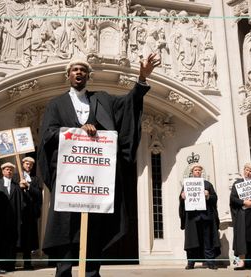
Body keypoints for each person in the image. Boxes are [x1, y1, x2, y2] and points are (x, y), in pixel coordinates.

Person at [38, 53, 161, 277]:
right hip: (69, 178)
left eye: (83, 70)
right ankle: (63, 272)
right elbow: (47, 134)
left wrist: (142, 78)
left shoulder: (102, 99)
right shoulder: (56, 104)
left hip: (95, 178)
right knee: (66, 227)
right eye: (74, 70)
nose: (79, 73)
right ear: (68, 75)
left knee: (94, 227)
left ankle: (92, 273)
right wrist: (78, 131)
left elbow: (128, 104)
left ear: (88, 76)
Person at [179, 163, 220, 270]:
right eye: (195, 170)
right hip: (192, 218)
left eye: (199, 170)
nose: (197, 171)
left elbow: (215, 198)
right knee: (192, 241)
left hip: (206, 217)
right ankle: (191, 263)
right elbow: (182, 201)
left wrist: (208, 196)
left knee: (208, 240)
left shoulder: (207, 184)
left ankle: (210, 263)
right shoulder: (187, 185)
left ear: (201, 172)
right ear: (192, 173)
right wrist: (182, 197)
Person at [0, 162, 24, 271]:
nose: (9, 171)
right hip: (0, 219)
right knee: (0, 241)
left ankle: (11, 264)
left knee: (12, 242)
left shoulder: (16, 186)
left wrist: (19, 218)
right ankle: (0, 265)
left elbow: (20, 203)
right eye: (7, 169)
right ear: (3, 171)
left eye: (11, 169)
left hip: (13, 219)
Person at [17, 157, 43, 270]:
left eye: (31, 165)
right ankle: (10, 263)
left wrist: (28, 186)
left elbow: (38, 193)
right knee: (17, 237)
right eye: (27, 164)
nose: (29, 166)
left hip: (30, 213)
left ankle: (27, 263)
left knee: (28, 239)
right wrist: (20, 186)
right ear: (23, 164)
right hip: (18, 212)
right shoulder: (16, 176)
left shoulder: (35, 179)